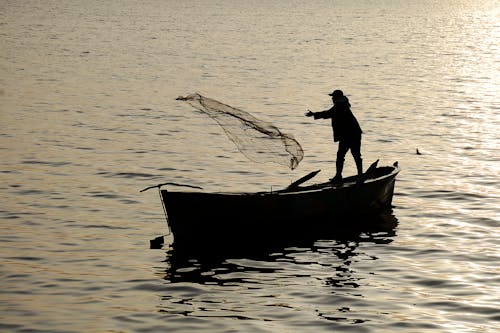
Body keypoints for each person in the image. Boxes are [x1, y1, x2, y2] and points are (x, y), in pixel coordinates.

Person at [305, 89, 363, 182]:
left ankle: (342, 175)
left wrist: (314, 114)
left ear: (337, 97)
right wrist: (315, 114)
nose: (332, 98)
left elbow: (328, 113)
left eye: (333, 96)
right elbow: (329, 114)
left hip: (350, 134)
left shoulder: (340, 105)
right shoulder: (342, 104)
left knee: (343, 155)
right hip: (352, 134)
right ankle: (357, 175)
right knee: (351, 155)